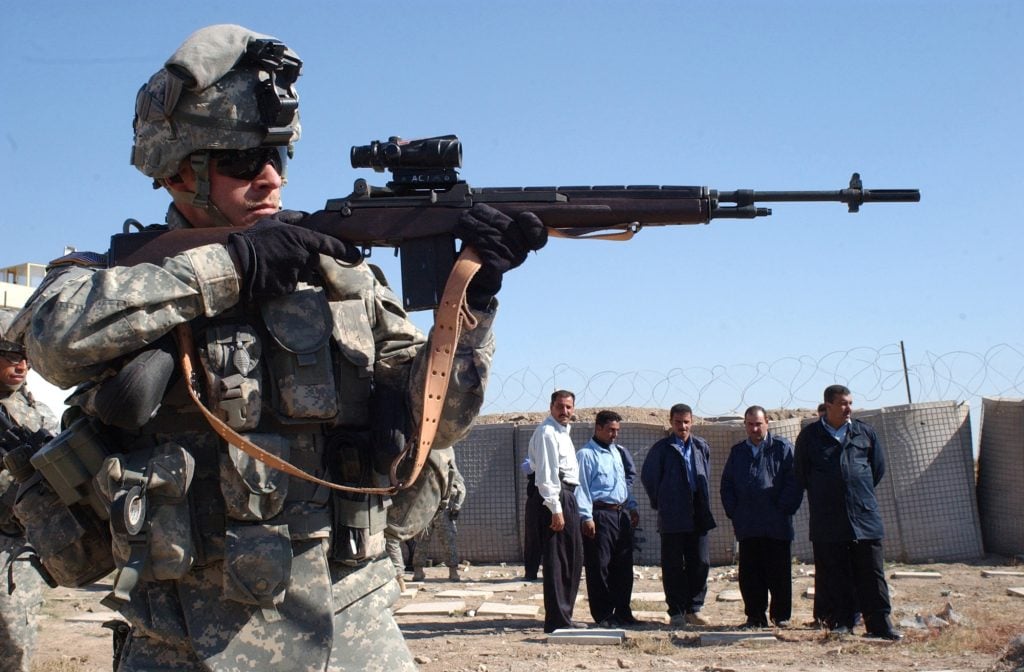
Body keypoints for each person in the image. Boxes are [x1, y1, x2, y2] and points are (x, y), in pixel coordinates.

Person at [13, 24, 546, 671]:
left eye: (278, 159)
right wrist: (232, 266)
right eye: (242, 163)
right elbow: (52, 342)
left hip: (351, 625)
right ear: (179, 170)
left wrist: (473, 306)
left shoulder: (342, 282)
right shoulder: (109, 278)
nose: (269, 179)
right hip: (184, 636)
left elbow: (437, 427)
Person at [794, 385, 902, 641]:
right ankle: (841, 621)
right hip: (829, 519)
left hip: (863, 516)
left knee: (872, 573)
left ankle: (879, 624)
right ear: (827, 405)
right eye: (843, 403)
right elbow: (802, 474)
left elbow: (877, 470)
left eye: (850, 403)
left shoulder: (864, 432)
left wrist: (854, 491)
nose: (848, 408)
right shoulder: (810, 437)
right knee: (835, 572)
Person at [0, 309, 58, 672]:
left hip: (21, 547)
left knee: (16, 643)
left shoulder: (34, 409)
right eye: (10, 356)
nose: (21, 365)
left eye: (26, 358)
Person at [720, 406, 803, 628]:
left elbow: (794, 482)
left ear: (767, 422)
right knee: (750, 575)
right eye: (750, 424)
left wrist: (783, 508)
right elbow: (727, 484)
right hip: (748, 524)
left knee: (779, 573)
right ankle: (755, 617)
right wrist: (734, 512)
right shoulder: (738, 452)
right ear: (745, 425)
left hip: (776, 524)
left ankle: (781, 617)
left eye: (758, 423)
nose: (754, 428)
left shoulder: (782, 448)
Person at [640, 403, 716, 628]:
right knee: (673, 564)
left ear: (692, 422)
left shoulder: (701, 446)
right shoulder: (662, 449)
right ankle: (676, 611)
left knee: (700, 561)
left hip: (698, 512)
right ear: (671, 422)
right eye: (677, 422)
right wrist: (662, 501)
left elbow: (705, 474)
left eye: (686, 422)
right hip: (672, 514)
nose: (682, 426)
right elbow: (649, 478)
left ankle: (694, 608)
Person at [575, 410, 642, 628]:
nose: (614, 435)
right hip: (600, 514)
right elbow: (582, 487)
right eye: (610, 430)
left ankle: (623, 611)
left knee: (623, 566)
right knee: (599, 567)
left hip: (620, 514)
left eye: (617, 431)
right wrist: (586, 516)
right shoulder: (586, 455)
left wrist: (631, 507)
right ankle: (603, 614)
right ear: (598, 428)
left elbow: (622, 484)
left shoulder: (617, 453)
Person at [527, 390, 584, 633]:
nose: (565, 412)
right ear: (551, 406)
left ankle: (565, 615)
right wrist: (555, 508)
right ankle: (557, 621)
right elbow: (547, 475)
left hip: (567, 495)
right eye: (560, 407)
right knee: (557, 561)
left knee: (571, 558)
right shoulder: (547, 433)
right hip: (555, 497)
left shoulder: (563, 432)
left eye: (569, 407)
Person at [411, 455, 466, 582]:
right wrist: (456, 506)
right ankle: (453, 572)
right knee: (448, 541)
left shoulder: (421, 466)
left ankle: (418, 572)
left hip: (425, 510)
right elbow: (461, 488)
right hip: (442, 510)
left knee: (421, 541)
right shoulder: (448, 466)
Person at [521, 455, 542, 581]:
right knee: (532, 537)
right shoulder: (535, 452)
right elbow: (526, 467)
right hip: (535, 498)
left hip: (554, 498)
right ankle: (530, 572)